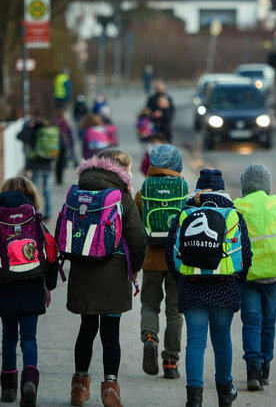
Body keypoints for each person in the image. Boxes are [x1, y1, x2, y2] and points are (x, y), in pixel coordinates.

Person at [166, 169, 253, 407]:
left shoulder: (185, 213)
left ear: (197, 190)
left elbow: (170, 254)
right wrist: (237, 281)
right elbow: (245, 255)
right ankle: (225, 392)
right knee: (222, 340)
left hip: (192, 286)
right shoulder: (233, 214)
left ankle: (194, 398)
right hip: (224, 286)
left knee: (195, 341)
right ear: (223, 190)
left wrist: (182, 279)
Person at [66, 149, 146, 407]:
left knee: (86, 328)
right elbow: (137, 239)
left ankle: (79, 387)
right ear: (122, 171)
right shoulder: (122, 198)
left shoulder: (79, 193)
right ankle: (110, 390)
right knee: (111, 333)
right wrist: (135, 267)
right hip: (114, 272)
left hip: (82, 271)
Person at [0, 176, 59, 407]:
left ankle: (9, 387)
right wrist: (48, 286)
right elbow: (51, 255)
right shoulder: (35, 220)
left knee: (8, 337)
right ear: (31, 196)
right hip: (32, 287)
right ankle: (29, 381)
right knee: (29, 337)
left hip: (5, 287)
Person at [134, 144, 186, 380]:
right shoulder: (184, 189)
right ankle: (170, 363)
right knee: (175, 312)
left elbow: (135, 228)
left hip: (151, 259)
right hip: (177, 260)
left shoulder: (143, 190)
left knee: (149, 305)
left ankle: (150, 338)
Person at [233, 164, 276, 391]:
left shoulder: (238, 206)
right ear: (267, 184)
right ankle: (265, 368)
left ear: (245, 185)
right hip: (274, 274)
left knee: (251, 322)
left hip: (249, 275)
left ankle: (253, 369)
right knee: (269, 323)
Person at [17, 115, 55, 214]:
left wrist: (28, 127)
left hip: (36, 167)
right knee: (47, 191)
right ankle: (49, 214)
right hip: (48, 166)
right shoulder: (49, 134)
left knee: (35, 191)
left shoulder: (33, 134)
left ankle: (35, 212)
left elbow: (19, 136)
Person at [51, 109, 75, 185]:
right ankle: (60, 179)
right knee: (62, 161)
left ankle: (56, 177)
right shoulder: (65, 123)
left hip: (54, 146)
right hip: (63, 146)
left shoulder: (53, 122)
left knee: (56, 161)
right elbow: (70, 135)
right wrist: (71, 146)